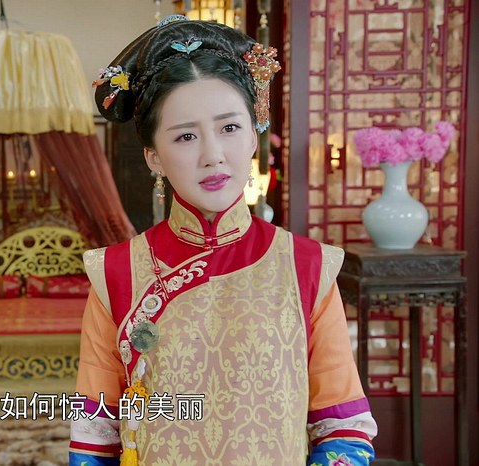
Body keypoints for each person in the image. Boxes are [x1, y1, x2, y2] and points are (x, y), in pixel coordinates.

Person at [70, 16, 376, 466]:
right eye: (186, 136)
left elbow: (343, 427)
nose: (213, 155)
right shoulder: (114, 273)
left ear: (253, 134)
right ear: (154, 157)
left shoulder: (307, 266)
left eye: (229, 128)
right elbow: (94, 437)